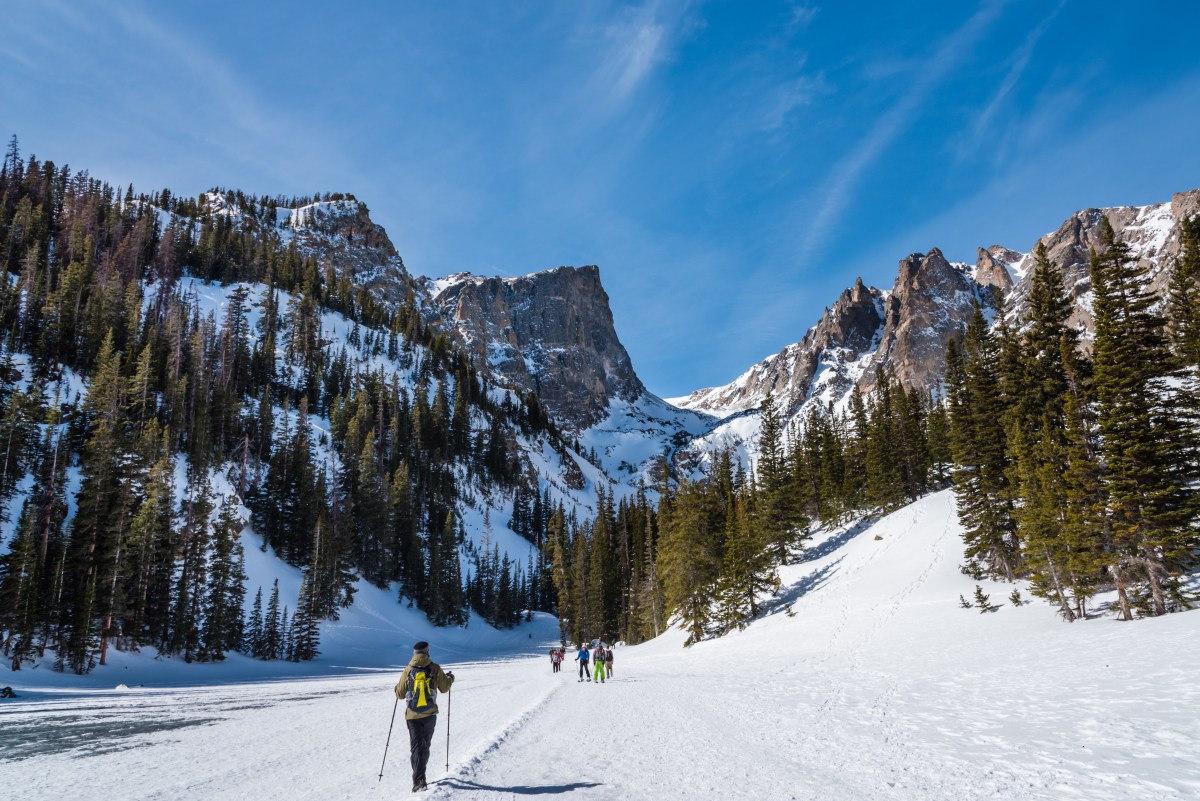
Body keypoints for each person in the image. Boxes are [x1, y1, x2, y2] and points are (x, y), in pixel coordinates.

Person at [395, 641, 455, 793]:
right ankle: (421, 777)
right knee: (425, 745)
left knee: (416, 747)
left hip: (412, 715)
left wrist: (397, 688)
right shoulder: (434, 668)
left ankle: (419, 780)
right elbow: (444, 688)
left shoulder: (408, 669)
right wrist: (450, 679)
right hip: (430, 714)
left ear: (414, 653)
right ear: (427, 651)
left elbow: (400, 694)